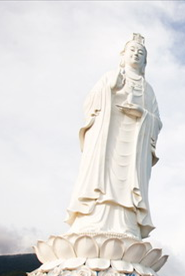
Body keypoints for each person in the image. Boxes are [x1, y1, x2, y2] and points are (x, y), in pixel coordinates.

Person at [66, 33, 163, 240]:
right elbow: (89, 105)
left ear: (145, 61)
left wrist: (141, 114)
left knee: (128, 184)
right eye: (132, 51)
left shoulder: (148, 90)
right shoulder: (109, 77)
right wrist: (108, 88)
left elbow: (157, 121)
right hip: (108, 139)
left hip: (135, 145)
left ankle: (126, 223)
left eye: (141, 53)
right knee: (101, 177)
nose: (136, 54)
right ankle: (91, 220)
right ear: (123, 54)